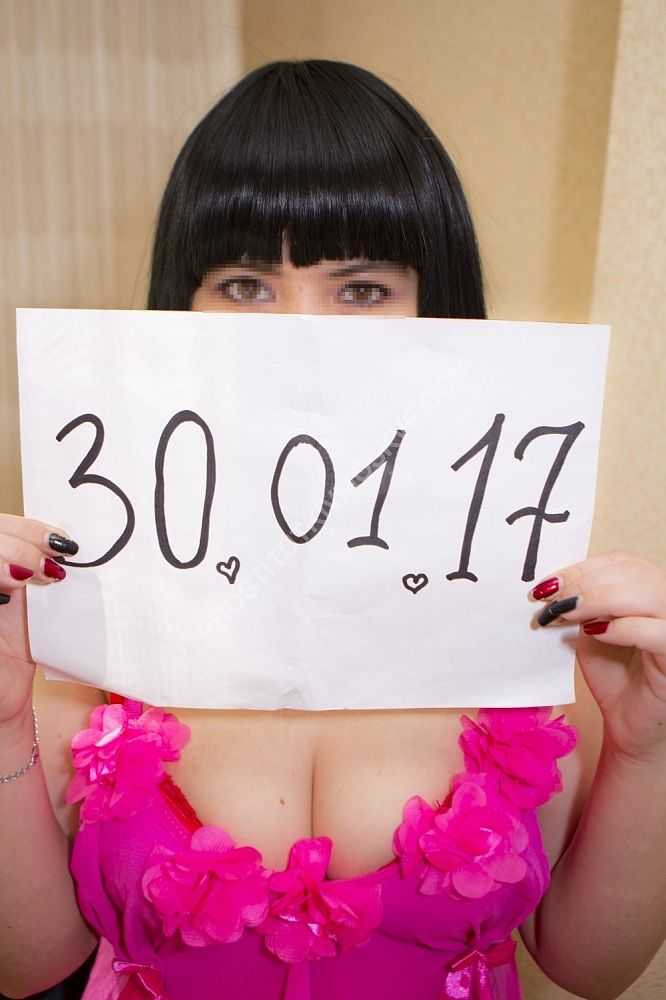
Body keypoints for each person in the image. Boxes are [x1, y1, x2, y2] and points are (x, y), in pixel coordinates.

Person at [1, 59, 665, 1000]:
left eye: (361, 289)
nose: (298, 337)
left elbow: (594, 969)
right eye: (244, 285)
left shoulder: (525, 614)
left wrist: (650, 748)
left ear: (439, 308)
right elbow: (28, 965)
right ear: (180, 307)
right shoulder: (94, 611)